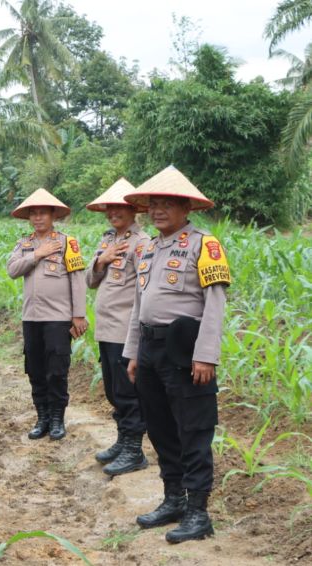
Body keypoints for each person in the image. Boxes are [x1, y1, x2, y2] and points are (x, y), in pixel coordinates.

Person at [122, 165, 230, 544]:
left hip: (186, 351)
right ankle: (174, 499)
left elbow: (214, 304)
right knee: (161, 427)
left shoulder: (205, 244)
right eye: (153, 204)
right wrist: (133, 352)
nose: (158, 210)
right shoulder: (149, 247)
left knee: (193, 430)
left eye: (167, 203)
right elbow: (139, 304)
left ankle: (198, 512)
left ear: (186, 209)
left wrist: (206, 356)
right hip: (150, 350)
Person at [6, 189, 87, 441]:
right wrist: (37, 254)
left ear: (53, 215)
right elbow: (12, 269)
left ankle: (57, 418)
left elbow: (77, 279)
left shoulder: (67, 243)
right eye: (34, 213)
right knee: (35, 368)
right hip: (31, 317)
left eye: (43, 213)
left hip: (58, 318)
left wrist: (79, 315)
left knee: (57, 369)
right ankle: (41, 417)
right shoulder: (24, 244)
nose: (38, 218)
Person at [85, 179, 151, 475]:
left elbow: (145, 289)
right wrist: (102, 260)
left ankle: (135, 450)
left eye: (120, 207)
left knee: (127, 392)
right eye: (110, 208)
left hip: (125, 330)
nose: (113, 212)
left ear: (133, 210)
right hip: (106, 329)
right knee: (113, 390)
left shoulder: (142, 243)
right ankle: (123, 441)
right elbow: (90, 280)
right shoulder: (106, 240)